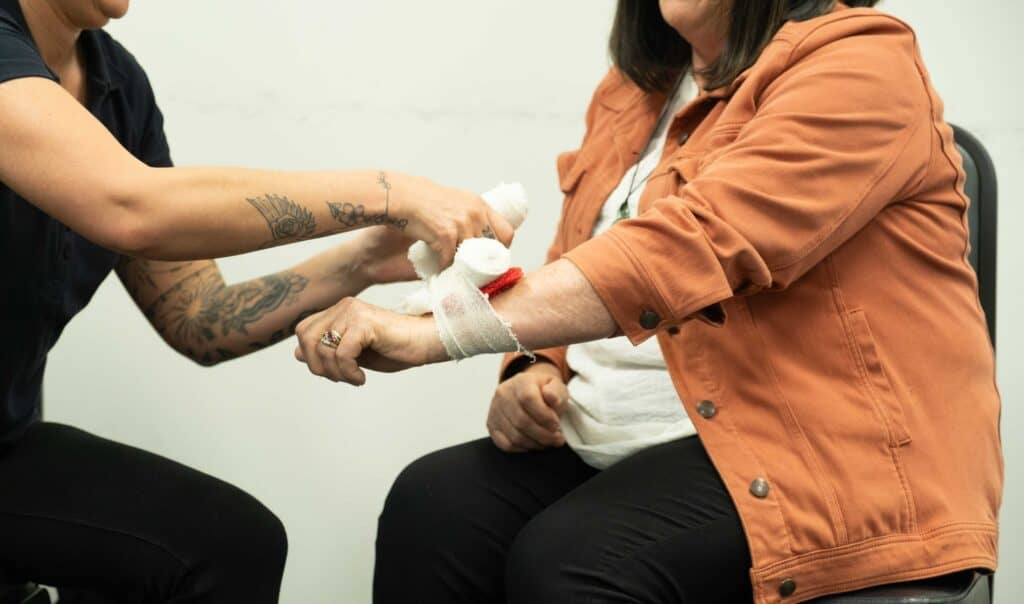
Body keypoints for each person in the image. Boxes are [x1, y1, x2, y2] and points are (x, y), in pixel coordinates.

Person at [296, 0, 1003, 602]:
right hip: (622, 441)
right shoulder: (637, 91)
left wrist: (438, 330)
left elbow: (687, 245)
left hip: (813, 457)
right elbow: (579, 253)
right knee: (435, 505)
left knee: (574, 562)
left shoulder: (861, 63)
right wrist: (535, 367)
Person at [0, 0, 513, 601]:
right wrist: (391, 192)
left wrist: (362, 262)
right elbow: (130, 206)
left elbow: (199, 316)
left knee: (234, 542)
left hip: (10, 446)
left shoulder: (118, 90)